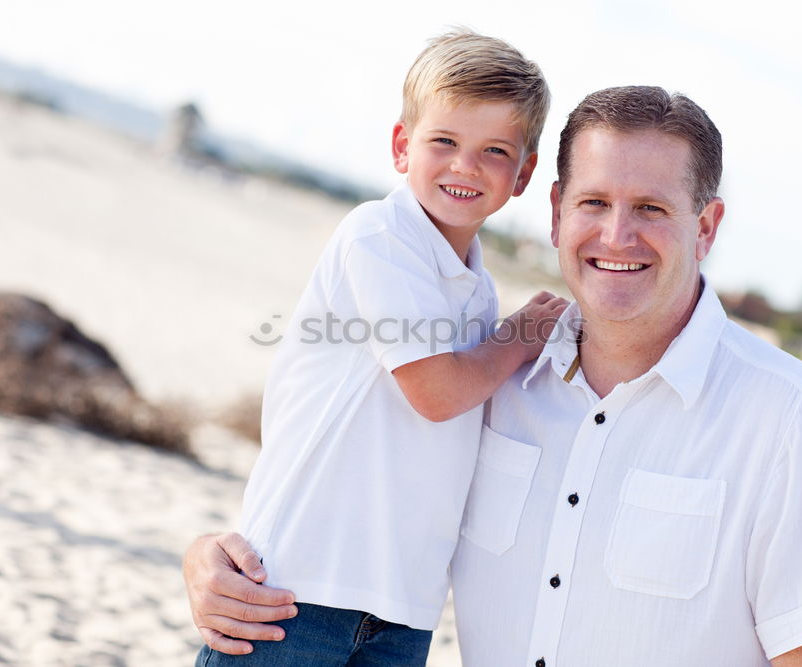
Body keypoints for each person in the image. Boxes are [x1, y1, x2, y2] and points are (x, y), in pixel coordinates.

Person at [185, 86, 802, 665]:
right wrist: (216, 556)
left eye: (652, 209)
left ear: (707, 226)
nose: (616, 235)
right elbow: (359, 473)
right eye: (594, 202)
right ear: (553, 213)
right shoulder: (494, 380)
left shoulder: (793, 418)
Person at [194, 30, 564, 666]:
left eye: (494, 150)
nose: (465, 165)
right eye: (443, 141)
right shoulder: (379, 236)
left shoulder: (477, 290)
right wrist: (520, 336)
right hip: (294, 589)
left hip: (404, 608)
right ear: (402, 146)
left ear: (524, 173)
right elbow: (438, 391)